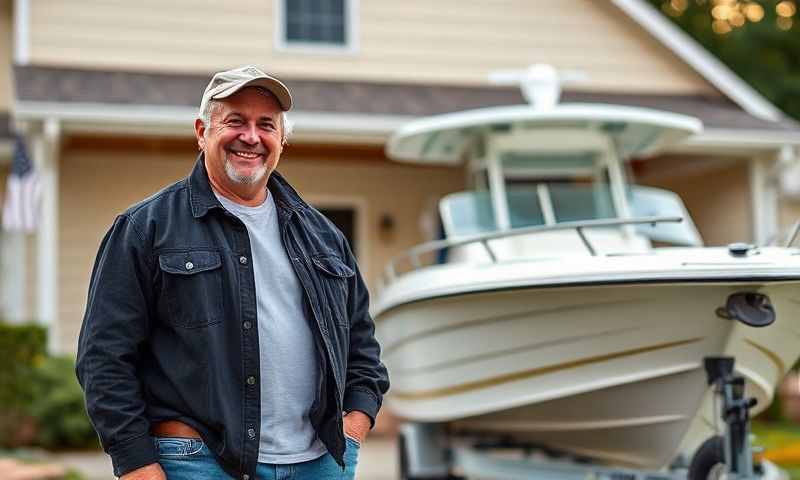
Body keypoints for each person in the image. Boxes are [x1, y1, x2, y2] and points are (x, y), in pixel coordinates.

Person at [76, 65, 389, 480]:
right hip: (198, 463)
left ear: (282, 140)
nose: (251, 137)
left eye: (266, 125)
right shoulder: (145, 229)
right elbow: (104, 358)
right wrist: (135, 463)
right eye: (235, 121)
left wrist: (354, 427)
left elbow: (361, 343)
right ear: (202, 131)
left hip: (319, 463)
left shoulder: (323, 236)